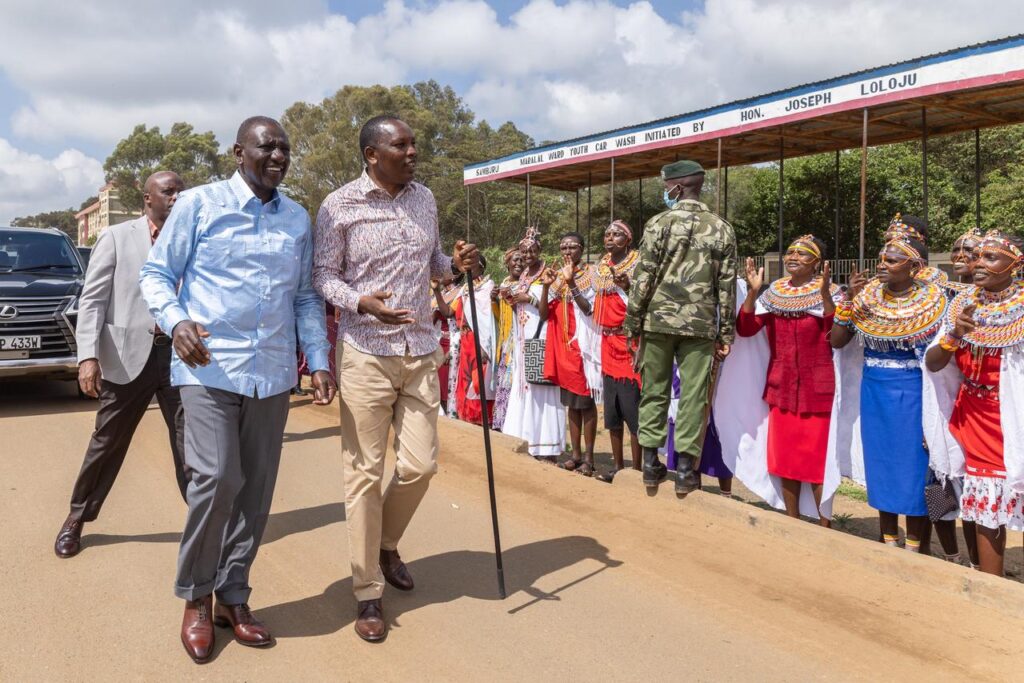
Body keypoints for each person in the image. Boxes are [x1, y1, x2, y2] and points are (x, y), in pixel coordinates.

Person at [140, 116, 336, 663]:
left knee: (255, 491)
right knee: (218, 477)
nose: (278, 156)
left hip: (271, 373)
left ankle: (233, 595)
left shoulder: (296, 218)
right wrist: (176, 321)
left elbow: (302, 298)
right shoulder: (199, 205)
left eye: (285, 148)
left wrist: (317, 360)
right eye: (266, 146)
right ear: (238, 152)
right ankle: (196, 597)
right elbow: (156, 274)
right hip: (206, 367)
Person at [312, 115, 478, 643]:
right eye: (400, 146)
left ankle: (385, 543)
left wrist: (456, 265)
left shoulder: (423, 198)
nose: (412, 153)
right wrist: (360, 302)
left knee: (421, 466)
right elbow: (322, 276)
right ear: (371, 154)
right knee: (363, 472)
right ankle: (366, 592)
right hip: (366, 351)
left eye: (413, 145)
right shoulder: (339, 205)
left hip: (421, 349)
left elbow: (434, 264)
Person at [54, 171, 190, 559]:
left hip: (180, 359)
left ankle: (203, 523)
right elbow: (93, 301)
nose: (177, 197)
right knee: (108, 441)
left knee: (191, 445)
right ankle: (76, 517)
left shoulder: (193, 238)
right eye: (168, 191)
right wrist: (88, 357)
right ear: (148, 199)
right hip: (127, 355)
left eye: (181, 190)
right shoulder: (116, 237)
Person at [624, 160, 737, 496]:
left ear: (676, 187)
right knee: (693, 395)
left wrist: (632, 323)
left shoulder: (658, 223)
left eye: (665, 185)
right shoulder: (722, 228)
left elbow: (642, 278)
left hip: (658, 320)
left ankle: (649, 463)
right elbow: (727, 285)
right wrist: (726, 332)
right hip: (700, 325)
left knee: (654, 390)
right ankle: (687, 469)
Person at [830, 235, 946, 553]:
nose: (883, 265)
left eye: (892, 260)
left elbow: (936, 363)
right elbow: (837, 341)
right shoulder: (866, 296)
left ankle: (915, 545)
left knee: (914, 468)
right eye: (882, 258)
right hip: (874, 391)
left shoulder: (933, 301)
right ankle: (887, 538)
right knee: (880, 464)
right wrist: (849, 301)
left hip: (913, 392)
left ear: (914, 267)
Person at [924, 230, 1024, 576]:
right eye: (976, 256)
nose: (978, 263)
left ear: (1016, 263)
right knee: (978, 501)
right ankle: (985, 581)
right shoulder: (961, 305)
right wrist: (955, 335)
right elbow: (934, 363)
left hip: (1014, 416)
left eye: (989, 257)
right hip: (972, 414)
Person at [727, 236, 839, 524]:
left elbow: (836, 335)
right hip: (781, 386)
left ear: (816, 262)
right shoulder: (774, 292)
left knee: (818, 461)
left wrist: (825, 296)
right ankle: (792, 520)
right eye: (790, 252)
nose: (793, 257)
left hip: (818, 388)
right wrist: (753, 293)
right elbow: (747, 328)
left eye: (802, 254)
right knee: (785, 459)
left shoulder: (833, 292)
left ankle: (824, 523)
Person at [500, 227, 567, 461]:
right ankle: (523, 438)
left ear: (539, 250)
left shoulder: (549, 274)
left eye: (532, 251)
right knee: (523, 387)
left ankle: (546, 446)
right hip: (521, 339)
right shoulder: (524, 276)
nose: (528, 255)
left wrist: (529, 297)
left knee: (541, 389)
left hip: (541, 338)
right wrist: (510, 299)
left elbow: (547, 313)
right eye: (524, 251)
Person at [540, 232, 600, 476]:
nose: (567, 252)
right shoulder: (555, 278)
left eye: (572, 247)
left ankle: (589, 457)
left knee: (586, 403)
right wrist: (545, 287)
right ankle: (575, 455)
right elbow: (544, 315)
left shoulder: (591, 274)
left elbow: (589, 310)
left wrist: (571, 282)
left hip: (582, 347)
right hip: (562, 347)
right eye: (563, 247)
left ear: (582, 249)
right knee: (571, 404)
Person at [591, 221, 642, 482]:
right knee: (612, 413)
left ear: (628, 239)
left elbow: (646, 302)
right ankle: (618, 468)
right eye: (607, 233)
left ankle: (636, 471)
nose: (610, 237)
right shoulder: (600, 268)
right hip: (607, 343)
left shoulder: (639, 264)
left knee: (632, 410)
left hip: (629, 342)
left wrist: (628, 287)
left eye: (617, 234)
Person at [435, 257, 495, 425]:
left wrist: (486, 347)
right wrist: (436, 291)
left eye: (472, 265)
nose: (467, 269)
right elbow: (448, 312)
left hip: (480, 343)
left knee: (478, 383)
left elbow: (489, 321)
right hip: (465, 343)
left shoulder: (488, 288)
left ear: (481, 267)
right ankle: (467, 421)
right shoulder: (464, 291)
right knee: (464, 381)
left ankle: (482, 422)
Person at [492, 249, 525, 430]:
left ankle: (516, 424)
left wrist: (512, 300)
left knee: (515, 380)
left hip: (520, 338)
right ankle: (501, 422)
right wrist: (494, 302)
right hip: (506, 340)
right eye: (515, 260)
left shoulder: (525, 285)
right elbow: (498, 318)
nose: (519, 263)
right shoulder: (503, 284)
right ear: (507, 263)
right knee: (504, 381)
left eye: (521, 260)